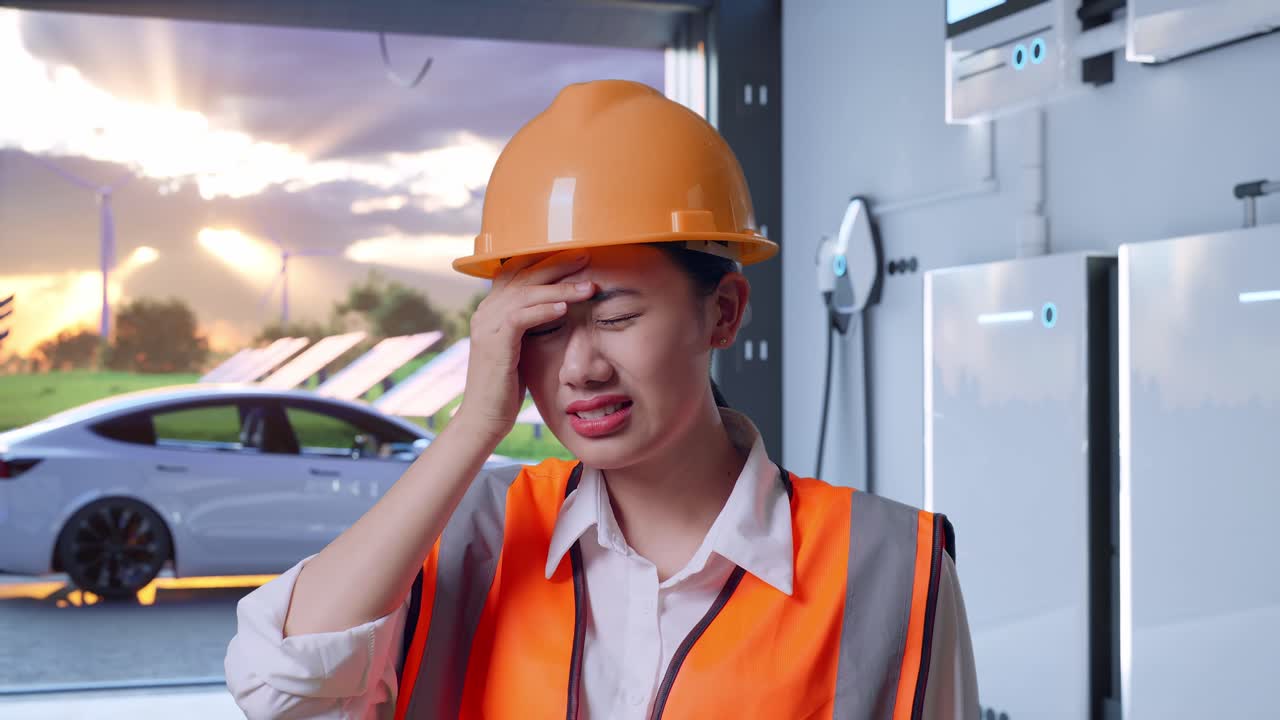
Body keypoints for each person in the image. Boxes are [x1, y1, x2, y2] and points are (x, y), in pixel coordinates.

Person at [225, 79, 979, 720]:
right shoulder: (472, 537)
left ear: (724, 313)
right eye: (544, 327)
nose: (580, 367)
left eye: (617, 316)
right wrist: (472, 429)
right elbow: (276, 685)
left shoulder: (888, 566)